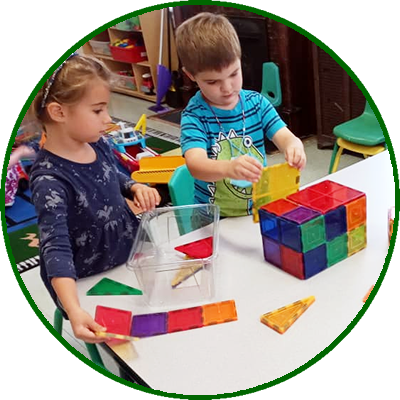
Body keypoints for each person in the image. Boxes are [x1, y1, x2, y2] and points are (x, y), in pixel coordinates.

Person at [25, 54, 161, 343]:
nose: (108, 119)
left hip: (125, 251)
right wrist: (74, 310)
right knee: (126, 342)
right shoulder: (49, 180)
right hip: (86, 274)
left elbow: (113, 174)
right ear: (59, 112)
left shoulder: (97, 143)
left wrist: (134, 188)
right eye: (98, 110)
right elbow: (55, 247)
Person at [175, 12, 307, 217]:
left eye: (234, 74)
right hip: (213, 219)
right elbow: (196, 165)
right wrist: (228, 168)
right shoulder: (195, 116)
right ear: (191, 75)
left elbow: (285, 137)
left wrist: (294, 147)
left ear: (239, 60)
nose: (227, 88)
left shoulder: (256, 103)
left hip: (258, 209)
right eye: (212, 82)